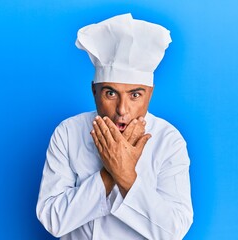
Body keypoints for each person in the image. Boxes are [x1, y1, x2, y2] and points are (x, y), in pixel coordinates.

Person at [36, 13, 193, 240]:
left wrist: (126, 175)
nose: (122, 109)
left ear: (149, 94)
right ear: (94, 91)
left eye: (135, 95)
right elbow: (53, 219)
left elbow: (172, 231)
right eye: (111, 93)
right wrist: (110, 173)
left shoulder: (169, 140)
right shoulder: (67, 133)